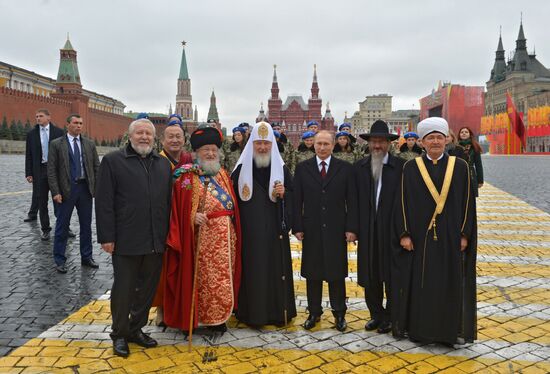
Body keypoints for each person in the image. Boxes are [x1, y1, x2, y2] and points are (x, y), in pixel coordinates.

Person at [392, 117, 477, 346]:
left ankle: (450, 333)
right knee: (422, 284)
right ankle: (422, 331)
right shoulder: (410, 168)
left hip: (451, 237)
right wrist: (405, 233)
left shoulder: (459, 166)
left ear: (447, 139)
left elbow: (469, 203)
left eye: (440, 137)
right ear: (422, 142)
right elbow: (401, 202)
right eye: (431, 138)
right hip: (420, 238)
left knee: (450, 284)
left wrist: (464, 234)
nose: (436, 142)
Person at [95, 118, 172, 357]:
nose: (144, 137)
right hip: (126, 239)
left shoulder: (162, 164)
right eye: (139, 133)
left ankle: (135, 328)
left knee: (147, 290)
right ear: (130, 136)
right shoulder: (113, 161)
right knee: (124, 290)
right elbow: (104, 201)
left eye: (148, 134)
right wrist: (107, 237)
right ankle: (119, 334)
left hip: (155, 239)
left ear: (154, 137)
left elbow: (168, 203)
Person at [163, 127, 242, 334]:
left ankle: (218, 319)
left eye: (214, 150)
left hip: (226, 238)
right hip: (200, 239)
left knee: (223, 279)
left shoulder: (223, 174)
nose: (210, 154)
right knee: (202, 279)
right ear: (197, 153)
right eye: (206, 150)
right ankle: (195, 318)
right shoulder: (188, 176)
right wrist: (191, 216)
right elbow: (178, 207)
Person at [232, 122, 296, 327]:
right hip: (249, 235)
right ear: (251, 144)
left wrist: (285, 194)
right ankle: (251, 314)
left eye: (266, 144)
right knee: (252, 272)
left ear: (272, 145)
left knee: (275, 272)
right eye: (258, 143)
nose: (262, 147)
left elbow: (295, 196)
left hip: (275, 233)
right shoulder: (240, 170)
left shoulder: (282, 169)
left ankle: (278, 313)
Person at [293, 130, 358, 332]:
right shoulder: (303, 168)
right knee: (313, 273)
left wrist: (351, 228)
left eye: (326, 144)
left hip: (336, 228)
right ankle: (314, 312)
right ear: (314, 145)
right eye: (319, 144)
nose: (322, 147)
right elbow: (297, 200)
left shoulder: (345, 168)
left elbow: (352, 201)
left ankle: (339, 314)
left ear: (333, 145)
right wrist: (297, 227)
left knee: (336, 273)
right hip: (311, 229)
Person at [354, 120, 404, 334]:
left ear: (388, 144)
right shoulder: (359, 167)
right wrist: (353, 228)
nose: (377, 146)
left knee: (392, 276)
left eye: (381, 141)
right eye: (374, 141)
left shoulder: (402, 167)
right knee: (370, 275)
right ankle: (376, 314)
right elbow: (353, 200)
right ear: (368, 143)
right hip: (367, 231)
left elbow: (406, 201)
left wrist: (404, 231)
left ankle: (391, 316)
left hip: (392, 231)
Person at [48, 114, 100, 274]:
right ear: (68, 125)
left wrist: (96, 188)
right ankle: (59, 259)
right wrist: (56, 192)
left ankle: (87, 257)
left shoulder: (89, 144)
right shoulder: (57, 144)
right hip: (66, 190)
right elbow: (51, 170)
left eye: (81, 123)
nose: (79, 126)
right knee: (62, 226)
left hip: (85, 189)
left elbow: (96, 167)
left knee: (86, 226)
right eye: (76, 123)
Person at [152, 121, 192, 325]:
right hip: (163, 221)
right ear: (162, 140)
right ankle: (161, 307)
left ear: (184, 140)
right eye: (171, 137)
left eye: (179, 136)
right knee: (161, 269)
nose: (175, 140)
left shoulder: (189, 161)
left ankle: (179, 304)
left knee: (181, 264)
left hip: (183, 221)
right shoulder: (155, 162)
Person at [25, 109, 64, 240]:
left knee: (59, 200)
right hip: (39, 171)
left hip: (55, 171)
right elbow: (28, 155)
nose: (38, 118)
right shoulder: (31, 134)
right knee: (42, 202)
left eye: (41, 116)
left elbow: (63, 154)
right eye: (36, 116)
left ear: (49, 117)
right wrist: (29, 173)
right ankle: (45, 229)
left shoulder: (59, 132)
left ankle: (64, 226)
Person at [458, 126, 484, 197]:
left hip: (471, 174)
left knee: (470, 196)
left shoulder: (474, 147)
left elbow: (478, 165)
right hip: (458, 174)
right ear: (459, 135)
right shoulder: (456, 146)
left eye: (466, 132)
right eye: (462, 132)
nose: (464, 133)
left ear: (470, 134)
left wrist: (480, 180)